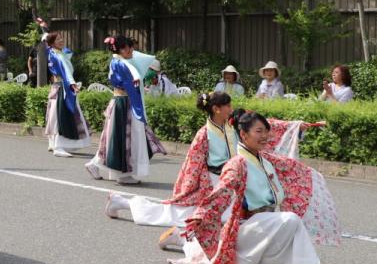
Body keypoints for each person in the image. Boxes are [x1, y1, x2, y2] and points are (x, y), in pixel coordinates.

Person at [172, 110, 340, 264]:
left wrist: (296, 127)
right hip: (246, 224)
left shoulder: (265, 158)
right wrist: (201, 214)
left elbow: (286, 154)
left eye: (266, 131)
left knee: (291, 223)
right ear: (243, 134)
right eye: (259, 132)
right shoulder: (237, 163)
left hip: (263, 222)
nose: (265, 136)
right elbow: (222, 191)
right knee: (290, 220)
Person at [106, 95, 324, 227]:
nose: (231, 109)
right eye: (227, 106)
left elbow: (266, 125)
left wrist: (295, 125)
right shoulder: (204, 134)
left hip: (232, 178)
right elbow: (193, 164)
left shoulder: (234, 125)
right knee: (174, 215)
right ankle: (123, 202)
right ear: (216, 109)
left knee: (226, 217)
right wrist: (190, 189)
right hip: (212, 181)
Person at [85, 36, 165, 184]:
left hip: (122, 102)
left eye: (130, 47)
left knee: (115, 137)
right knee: (124, 137)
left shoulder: (121, 62)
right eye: (124, 48)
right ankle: (122, 174)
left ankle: (96, 165)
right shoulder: (120, 64)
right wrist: (139, 108)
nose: (129, 50)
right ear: (117, 50)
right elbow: (131, 84)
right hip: (124, 103)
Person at [44, 29, 91, 157]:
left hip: (60, 86)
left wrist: (46, 35)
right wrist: (72, 83)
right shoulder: (56, 55)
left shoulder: (57, 52)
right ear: (52, 43)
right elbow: (65, 71)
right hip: (62, 87)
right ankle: (58, 146)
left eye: (61, 38)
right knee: (61, 116)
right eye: (58, 39)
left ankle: (55, 144)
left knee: (56, 116)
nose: (61, 41)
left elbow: (67, 53)